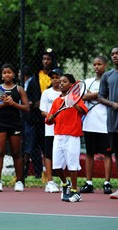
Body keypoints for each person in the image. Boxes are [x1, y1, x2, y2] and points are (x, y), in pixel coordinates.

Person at [46, 74, 88, 202]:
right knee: (57, 166)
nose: (61, 83)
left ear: (72, 85)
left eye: (65, 81)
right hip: (58, 136)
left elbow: (83, 111)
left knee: (72, 165)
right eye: (60, 81)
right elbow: (48, 120)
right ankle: (65, 183)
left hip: (72, 137)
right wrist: (50, 118)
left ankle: (75, 192)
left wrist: (73, 103)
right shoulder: (56, 101)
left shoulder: (76, 98)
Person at [0, 63, 30, 192]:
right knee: (0, 152)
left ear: (13, 74)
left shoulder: (19, 89)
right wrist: (3, 104)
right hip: (0, 124)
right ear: (2, 76)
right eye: (4, 73)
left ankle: (19, 181)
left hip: (15, 123)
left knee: (17, 153)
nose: (7, 74)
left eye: (9, 72)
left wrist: (13, 104)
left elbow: (26, 108)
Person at [81, 56, 113, 194]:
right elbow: (82, 96)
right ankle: (89, 182)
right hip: (89, 123)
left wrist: (92, 95)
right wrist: (100, 95)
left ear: (105, 65)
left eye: (99, 64)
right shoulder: (87, 81)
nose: (96, 67)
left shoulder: (110, 81)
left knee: (107, 154)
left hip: (105, 123)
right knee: (89, 153)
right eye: (94, 64)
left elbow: (110, 96)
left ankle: (107, 182)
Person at [99, 47, 118, 199]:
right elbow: (100, 97)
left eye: (117, 53)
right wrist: (112, 104)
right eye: (112, 54)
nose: (115, 56)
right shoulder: (108, 76)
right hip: (113, 123)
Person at [39, 68, 62, 193]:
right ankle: (50, 182)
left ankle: (64, 182)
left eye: (57, 77)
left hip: (63, 130)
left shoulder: (67, 94)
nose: (55, 80)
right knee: (49, 155)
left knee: (63, 156)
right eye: (52, 77)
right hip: (50, 130)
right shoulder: (46, 93)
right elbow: (42, 111)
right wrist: (50, 115)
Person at [21, 66, 43, 179]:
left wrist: (30, 103)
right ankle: (24, 171)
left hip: (32, 119)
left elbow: (35, 99)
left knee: (31, 147)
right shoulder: (23, 84)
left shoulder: (32, 82)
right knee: (26, 146)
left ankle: (36, 172)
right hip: (25, 118)